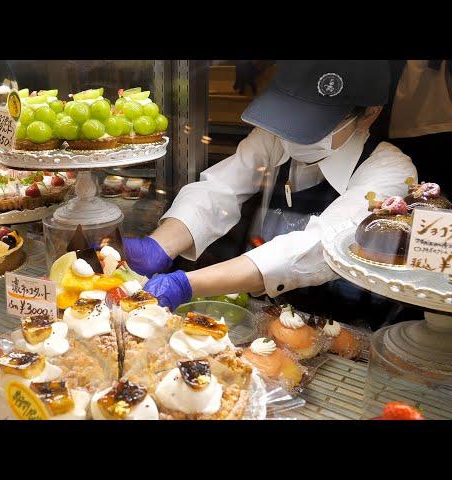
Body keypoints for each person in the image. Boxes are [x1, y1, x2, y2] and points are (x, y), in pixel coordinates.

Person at [125, 60, 417, 325]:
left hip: (347, 320)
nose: (293, 134)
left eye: (314, 124)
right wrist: (160, 245)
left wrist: (186, 284)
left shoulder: (391, 171)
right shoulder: (274, 139)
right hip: (266, 313)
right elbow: (220, 189)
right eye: (291, 115)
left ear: (369, 115)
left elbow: (321, 245)